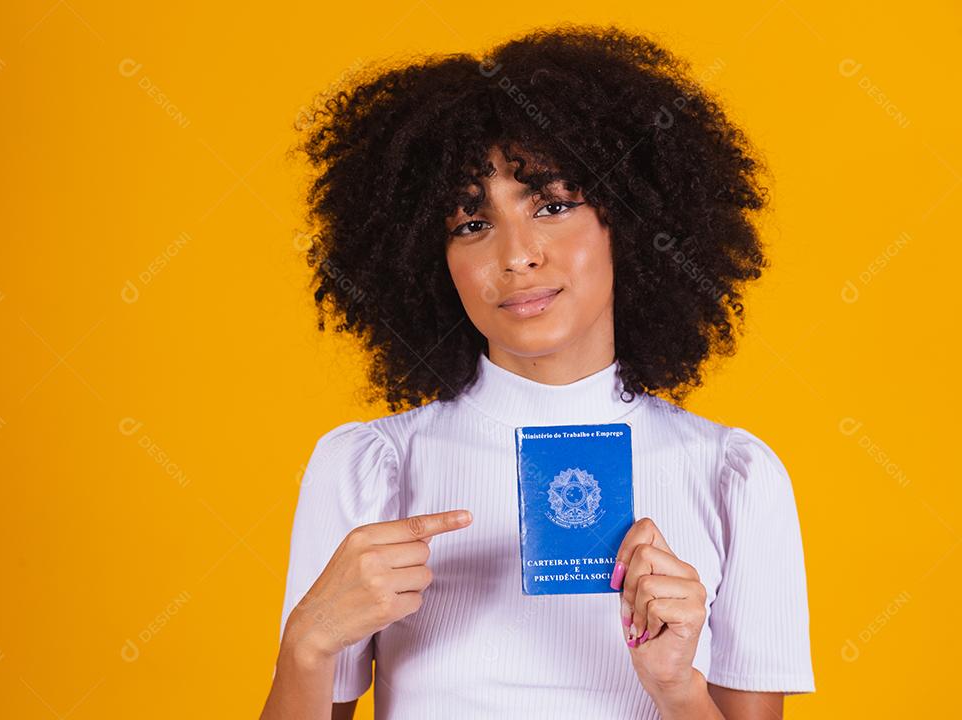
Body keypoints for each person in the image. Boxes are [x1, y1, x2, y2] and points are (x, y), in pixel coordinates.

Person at [260, 24, 814, 720]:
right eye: (470, 224)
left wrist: (677, 687)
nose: (517, 255)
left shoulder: (734, 475)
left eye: (552, 205)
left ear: (631, 222)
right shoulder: (368, 467)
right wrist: (306, 646)